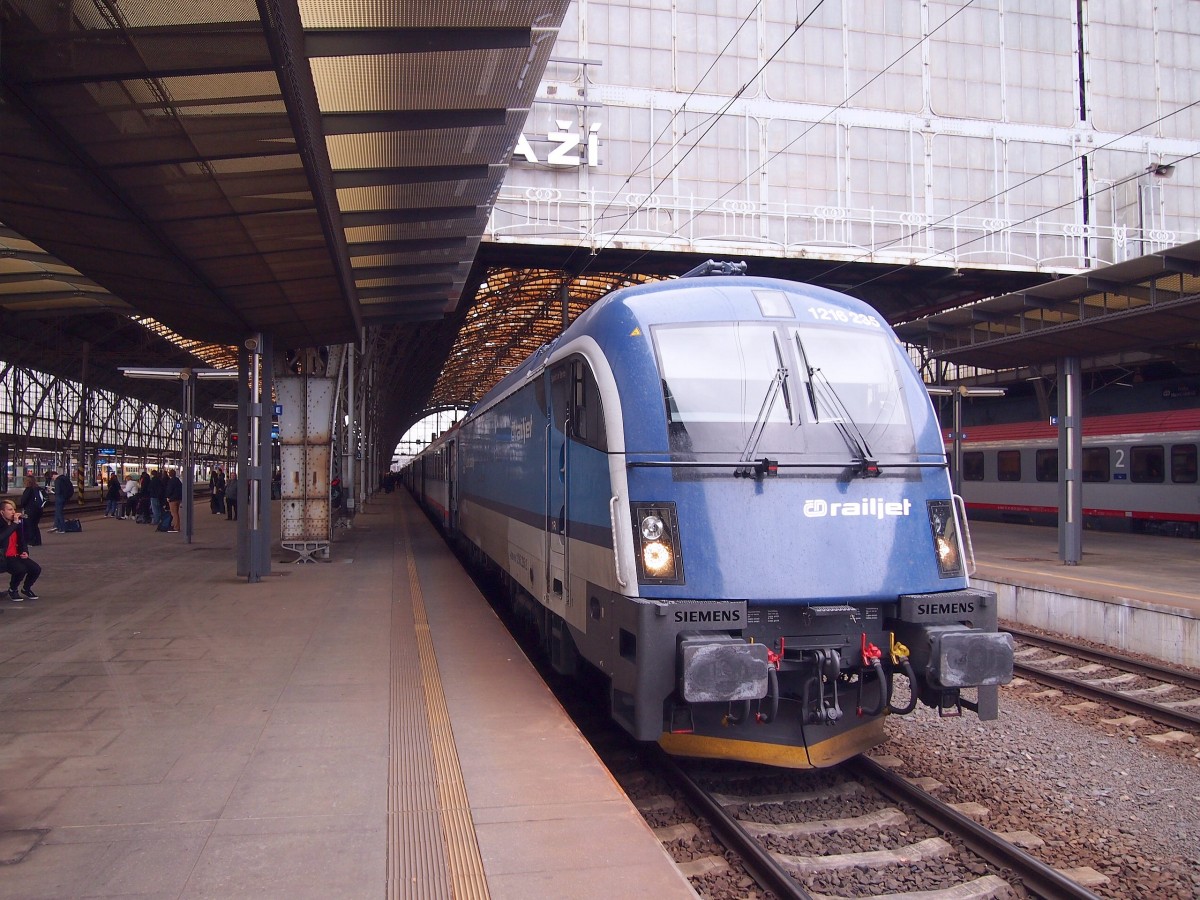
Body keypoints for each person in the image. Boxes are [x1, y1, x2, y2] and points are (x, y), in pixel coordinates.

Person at [1, 499, 41, 601]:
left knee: (36, 569)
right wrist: (14, 524)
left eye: (14, 509)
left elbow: (22, 540)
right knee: (20, 569)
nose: (13, 512)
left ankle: (26, 588)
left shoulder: (16, 523)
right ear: (2, 512)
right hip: (4, 557)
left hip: (16, 554)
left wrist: (25, 551)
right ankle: (13, 589)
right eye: (10, 510)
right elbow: (2, 537)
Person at [18, 474, 46, 546]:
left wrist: (22, 506)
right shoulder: (38, 488)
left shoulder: (28, 490)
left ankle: (32, 541)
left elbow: (24, 501)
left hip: (30, 510)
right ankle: (38, 541)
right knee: (35, 525)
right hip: (39, 510)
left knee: (30, 526)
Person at [165, 467, 183, 533]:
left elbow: (169, 490)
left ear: (170, 474)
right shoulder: (178, 480)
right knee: (176, 513)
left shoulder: (171, 481)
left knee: (174, 513)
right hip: (178, 499)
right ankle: (176, 526)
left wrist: (167, 497)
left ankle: (176, 527)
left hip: (172, 499)